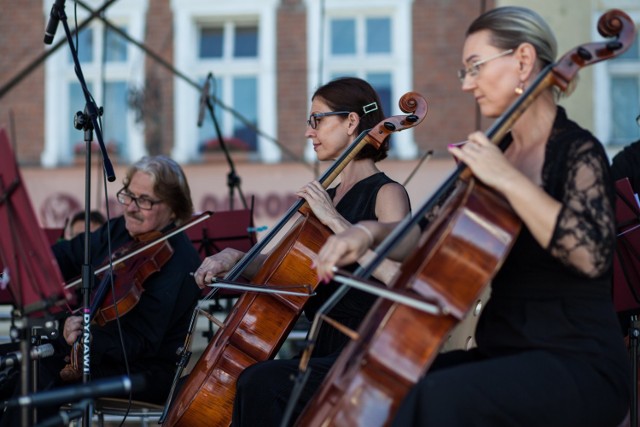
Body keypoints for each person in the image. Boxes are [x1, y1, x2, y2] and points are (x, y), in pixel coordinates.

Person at [315, 7, 631, 427]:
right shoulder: (495, 153)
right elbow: (428, 235)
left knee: (436, 400)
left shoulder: (576, 151)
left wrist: (507, 179)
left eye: (475, 67)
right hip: (505, 351)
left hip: (576, 361)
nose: (466, 84)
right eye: (464, 71)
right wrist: (369, 233)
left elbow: (590, 255)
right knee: (386, 392)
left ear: (522, 60)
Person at [193, 77, 412, 425]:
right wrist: (235, 257)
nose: (310, 132)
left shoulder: (387, 194)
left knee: (261, 384)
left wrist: (331, 216)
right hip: (321, 346)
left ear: (351, 122)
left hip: (366, 350)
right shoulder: (327, 193)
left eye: (318, 119)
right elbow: (282, 270)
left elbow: (399, 280)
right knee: (247, 381)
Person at [0, 155, 202, 425]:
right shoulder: (120, 230)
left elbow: (141, 341)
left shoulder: (179, 261)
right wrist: (29, 262)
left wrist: (90, 336)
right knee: (10, 359)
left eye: (145, 201)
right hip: (90, 348)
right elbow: (69, 253)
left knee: (39, 371)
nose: (130, 207)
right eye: (129, 195)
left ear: (174, 209)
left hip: (141, 369)